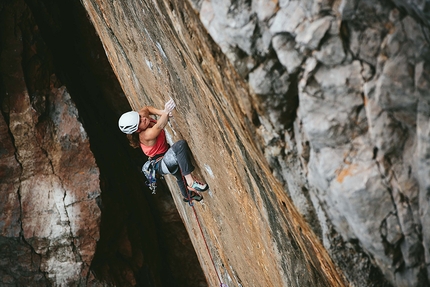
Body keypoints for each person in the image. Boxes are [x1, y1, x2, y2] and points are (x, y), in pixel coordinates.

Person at [118, 98, 208, 202]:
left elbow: (146, 109)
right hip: (161, 163)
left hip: (165, 157)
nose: (143, 118)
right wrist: (165, 112)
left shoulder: (142, 118)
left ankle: (188, 195)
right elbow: (160, 125)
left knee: (179, 174)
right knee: (179, 146)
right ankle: (191, 182)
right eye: (140, 121)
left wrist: (161, 112)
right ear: (137, 130)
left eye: (139, 116)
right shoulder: (145, 135)